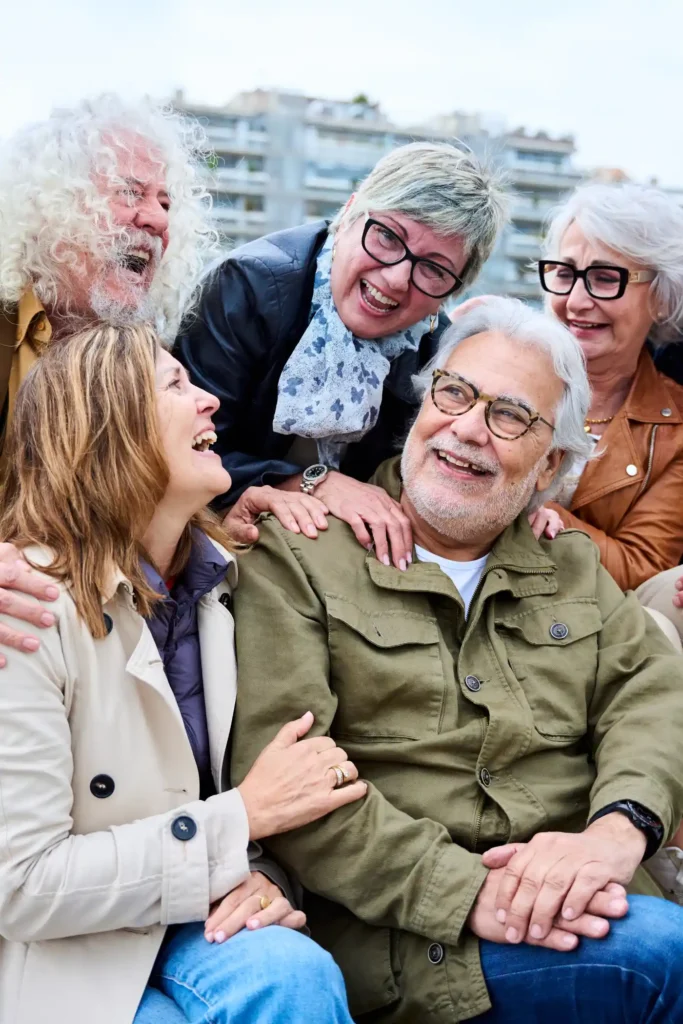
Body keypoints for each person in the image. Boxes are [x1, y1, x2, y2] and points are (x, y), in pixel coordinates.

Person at [230, 297, 683, 1024]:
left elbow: (650, 697)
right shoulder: (301, 558)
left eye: (509, 417)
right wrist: (468, 893)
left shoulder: (566, 564)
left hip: (586, 907)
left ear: (550, 467)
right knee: (661, 956)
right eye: (454, 393)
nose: (466, 429)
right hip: (413, 942)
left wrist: (613, 832)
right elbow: (289, 784)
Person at [0, 324, 364, 1024]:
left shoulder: (229, 587)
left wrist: (260, 874)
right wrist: (238, 824)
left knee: (295, 974)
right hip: (67, 952)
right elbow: (21, 887)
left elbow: (257, 806)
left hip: (195, 919)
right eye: (175, 384)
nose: (209, 403)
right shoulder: (25, 608)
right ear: (108, 426)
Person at [176, 141, 509, 571]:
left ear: (453, 291)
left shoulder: (436, 351)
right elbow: (181, 448)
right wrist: (312, 481)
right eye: (388, 237)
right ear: (349, 214)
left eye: (433, 269)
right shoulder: (248, 288)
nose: (394, 279)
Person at [0, 93, 217, 660]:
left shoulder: (153, 358)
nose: (157, 219)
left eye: (166, 201)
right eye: (131, 194)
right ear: (52, 208)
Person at [535, 183, 683, 594]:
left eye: (604, 279)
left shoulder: (677, 430)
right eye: (564, 274)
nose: (577, 301)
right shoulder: (496, 366)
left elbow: (643, 567)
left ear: (662, 298)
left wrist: (541, 515)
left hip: (587, 617)